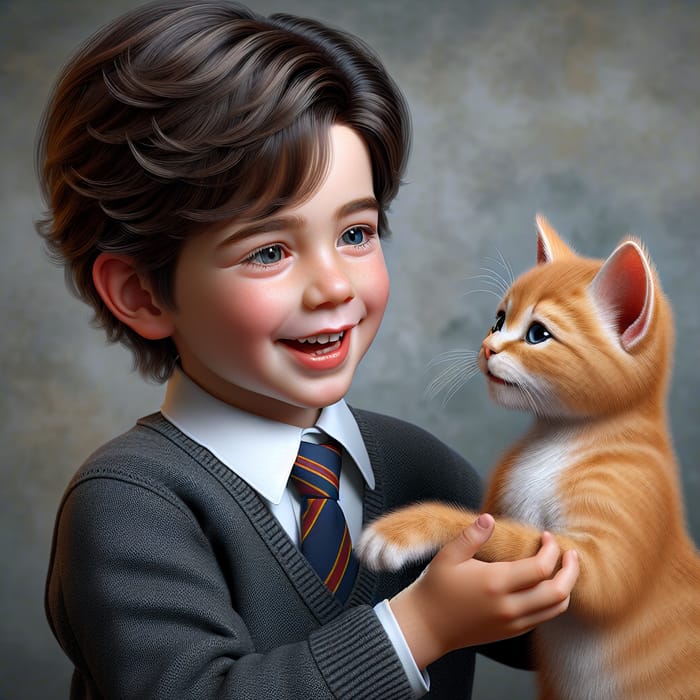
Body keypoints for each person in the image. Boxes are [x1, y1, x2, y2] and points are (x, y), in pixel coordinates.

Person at [36, 1, 579, 697]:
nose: (333, 286)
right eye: (269, 250)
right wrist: (420, 627)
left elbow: (559, 633)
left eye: (356, 233)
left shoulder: (420, 467)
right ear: (142, 293)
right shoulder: (131, 504)